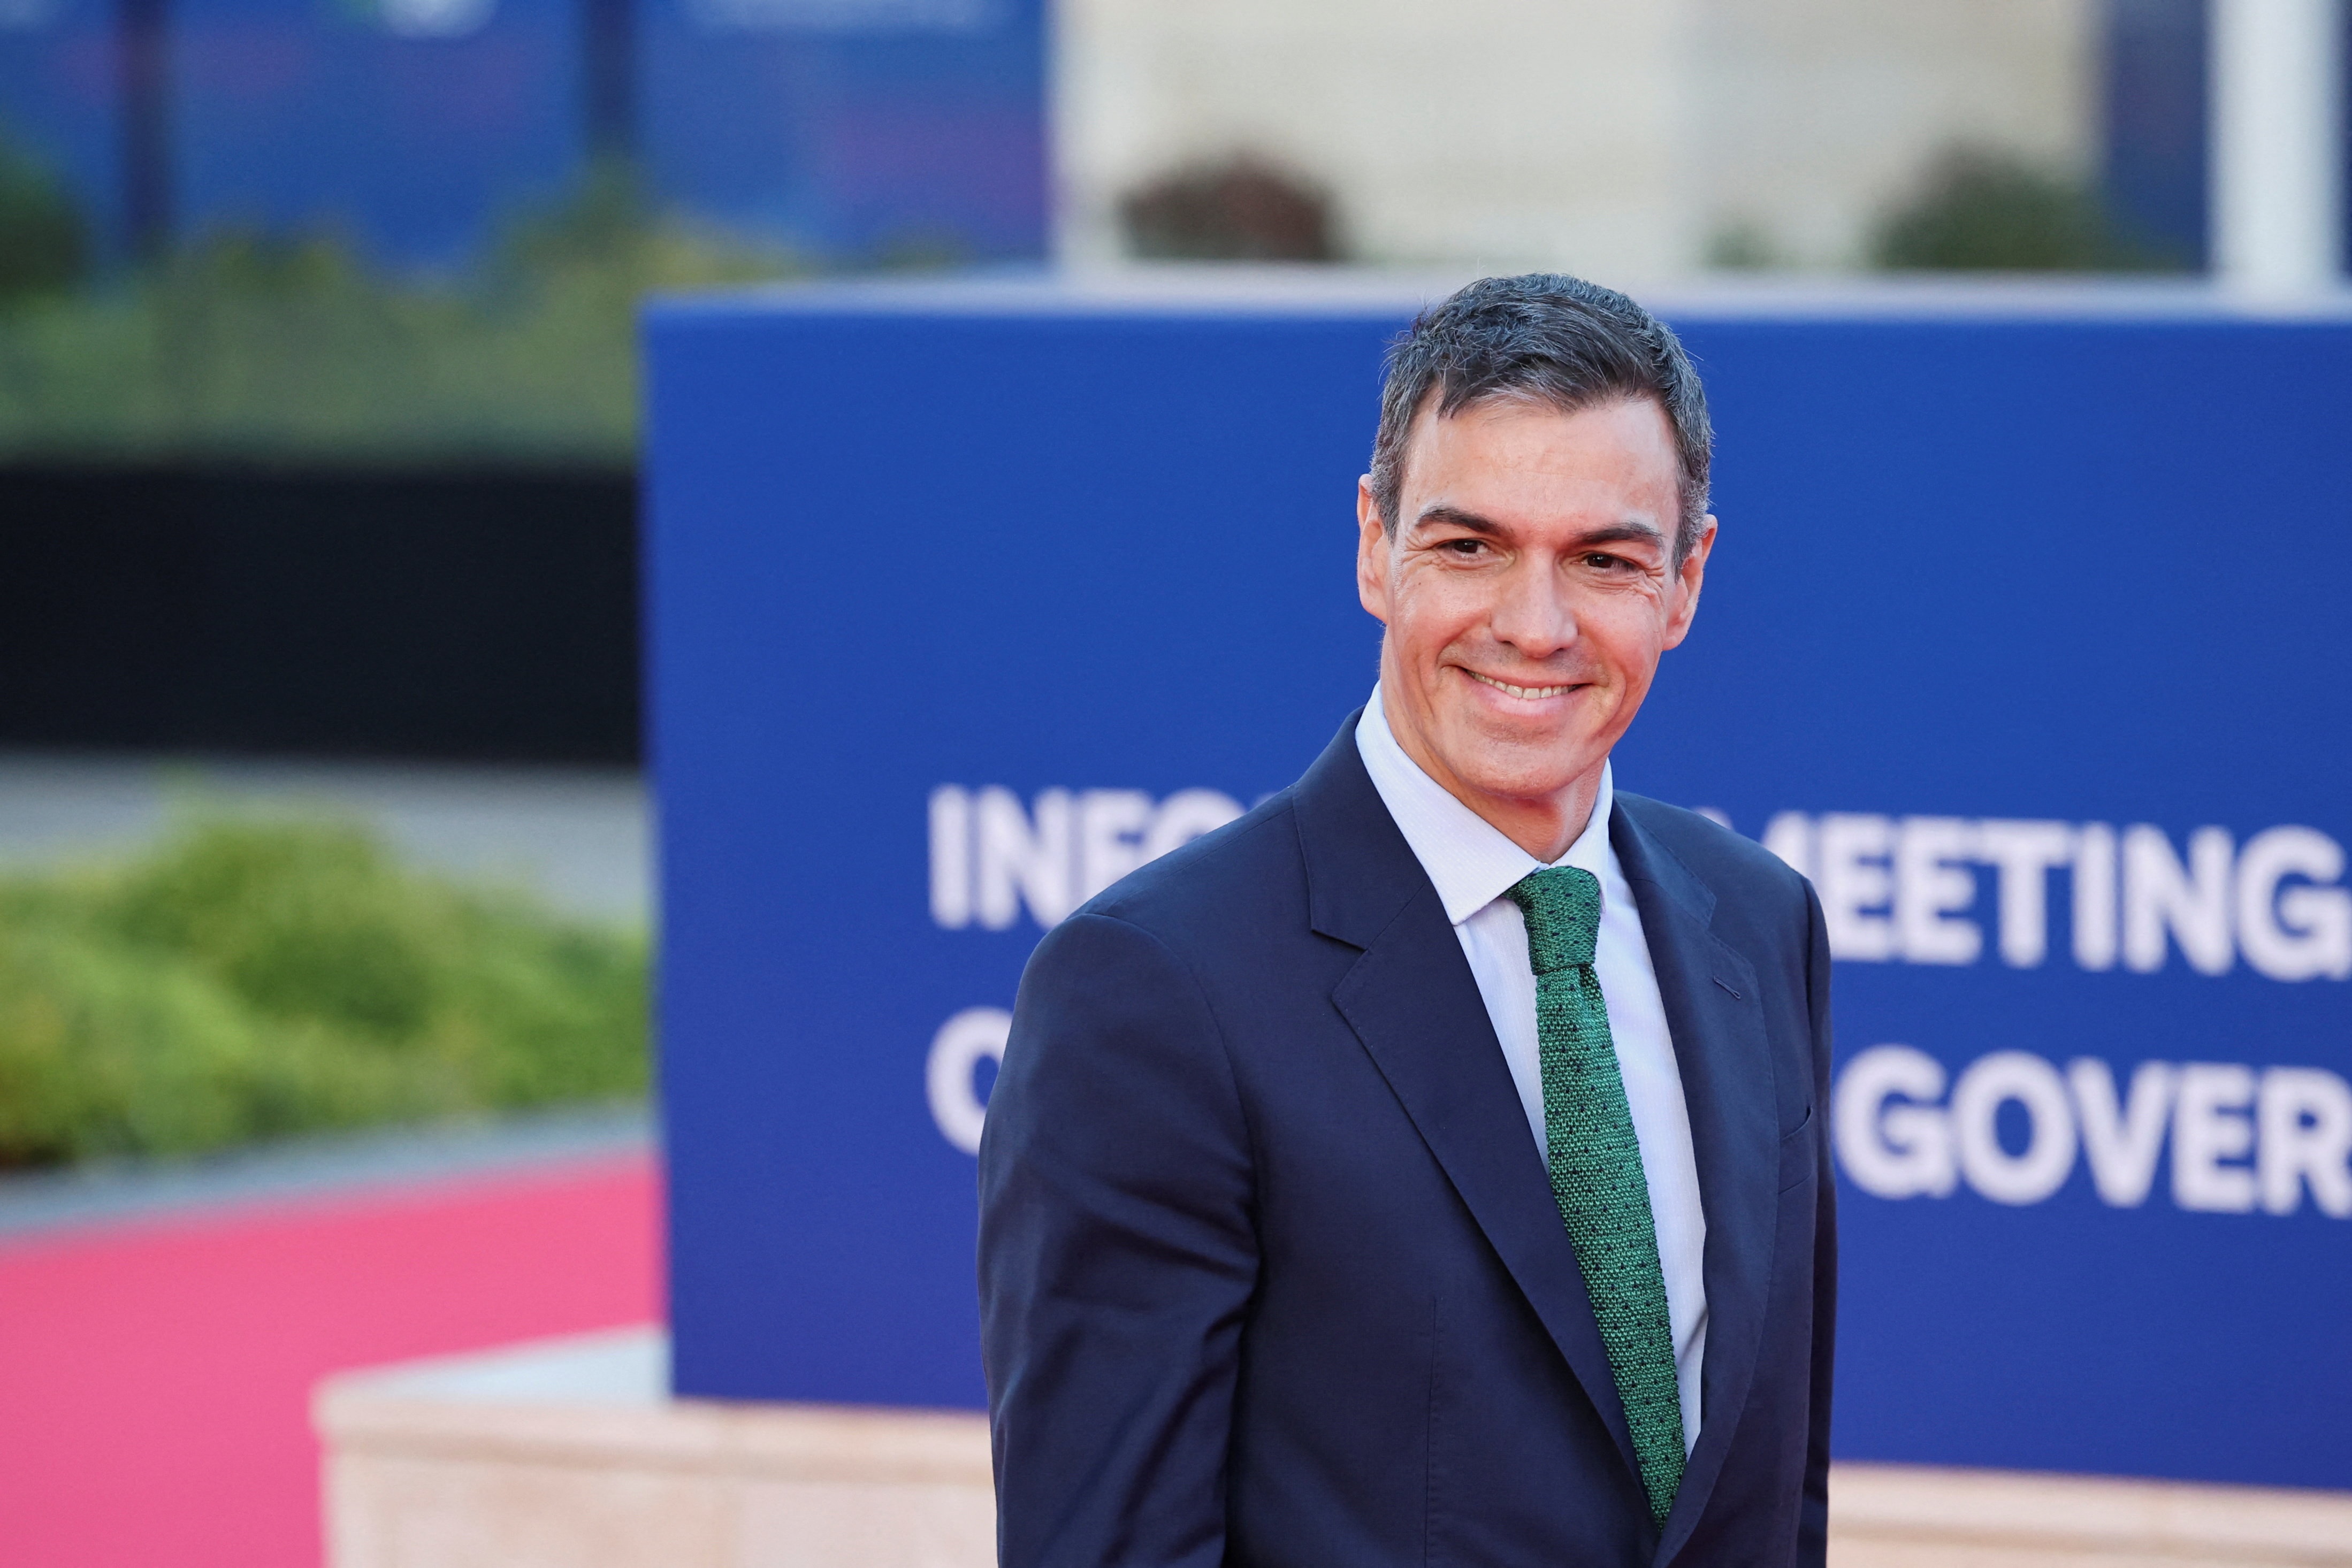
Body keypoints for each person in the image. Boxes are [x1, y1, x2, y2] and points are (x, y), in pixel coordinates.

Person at [978, 273, 1834, 1568]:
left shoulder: (1758, 923)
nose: (1533, 626)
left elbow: (1770, 1492)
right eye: (1468, 545)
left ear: (1684, 580)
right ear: (1373, 545)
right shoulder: (1155, 988)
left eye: (1602, 559)